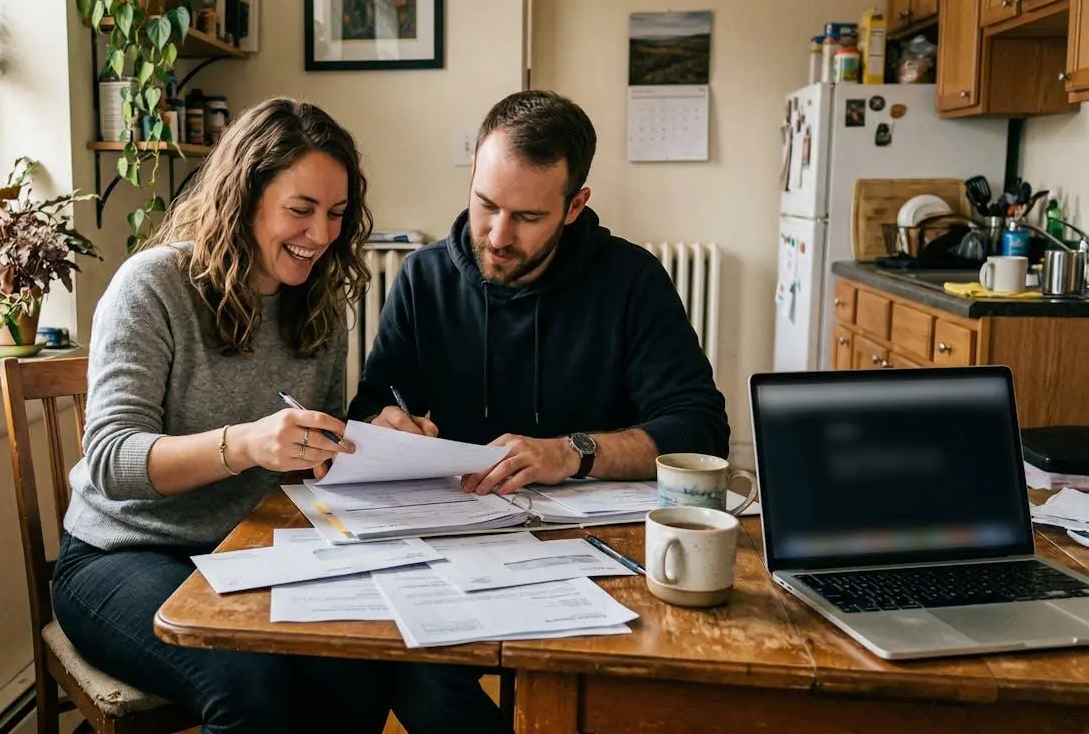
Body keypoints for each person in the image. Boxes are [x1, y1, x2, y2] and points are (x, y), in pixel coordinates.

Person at [52, 97, 506, 734]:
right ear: (244, 198)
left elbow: (307, 462)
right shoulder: (153, 286)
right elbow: (109, 463)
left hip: (253, 552)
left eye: (336, 215)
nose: (321, 236)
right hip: (120, 554)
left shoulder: (317, 302)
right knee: (251, 688)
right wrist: (242, 445)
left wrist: (370, 439)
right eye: (301, 210)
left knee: (355, 664)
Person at [349, 89, 729, 497]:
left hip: (595, 530)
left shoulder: (633, 280)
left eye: (528, 217)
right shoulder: (424, 277)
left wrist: (571, 453)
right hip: (461, 520)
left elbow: (699, 429)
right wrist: (383, 426)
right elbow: (371, 409)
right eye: (486, 204)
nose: (498, 237)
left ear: (574, 206)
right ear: (473, 171)